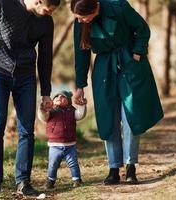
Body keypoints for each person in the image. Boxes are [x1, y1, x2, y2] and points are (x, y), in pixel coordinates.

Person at [0, 0, 60, 196]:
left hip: (26, 78)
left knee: (26, 130)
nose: (49, 14)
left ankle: (23, 182)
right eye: (48, 10)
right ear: (38, 1)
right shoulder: (1, 5)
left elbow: (45, 58)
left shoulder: (46, 22)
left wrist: (46, 93)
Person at [71, 0, 164, 185]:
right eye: (78, 18)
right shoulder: (80, 22)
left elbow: (142, 28)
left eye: (83, 17)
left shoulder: (118, 7)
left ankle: (131, 167)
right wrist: (80, 85)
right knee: (109, 117)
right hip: (104, 69)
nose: (81, 21)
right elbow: (81, 53)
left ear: (94, 8)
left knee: (130, 117)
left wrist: (138, 50)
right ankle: (113, 168)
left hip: (129, 63)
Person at [38, 90, 87, 189]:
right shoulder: (51, 111)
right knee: (53, 164)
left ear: (68, 101)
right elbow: (43, 117)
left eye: (63, 97)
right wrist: (42, 110)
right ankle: (51, 180)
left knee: (73, 163)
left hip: (70, 145)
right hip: (54, 146)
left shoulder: (72, 111)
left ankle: (77, 179)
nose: (59, 98)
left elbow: (80, 115)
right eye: (56, 97)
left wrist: (82, 105)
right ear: (53, 101)